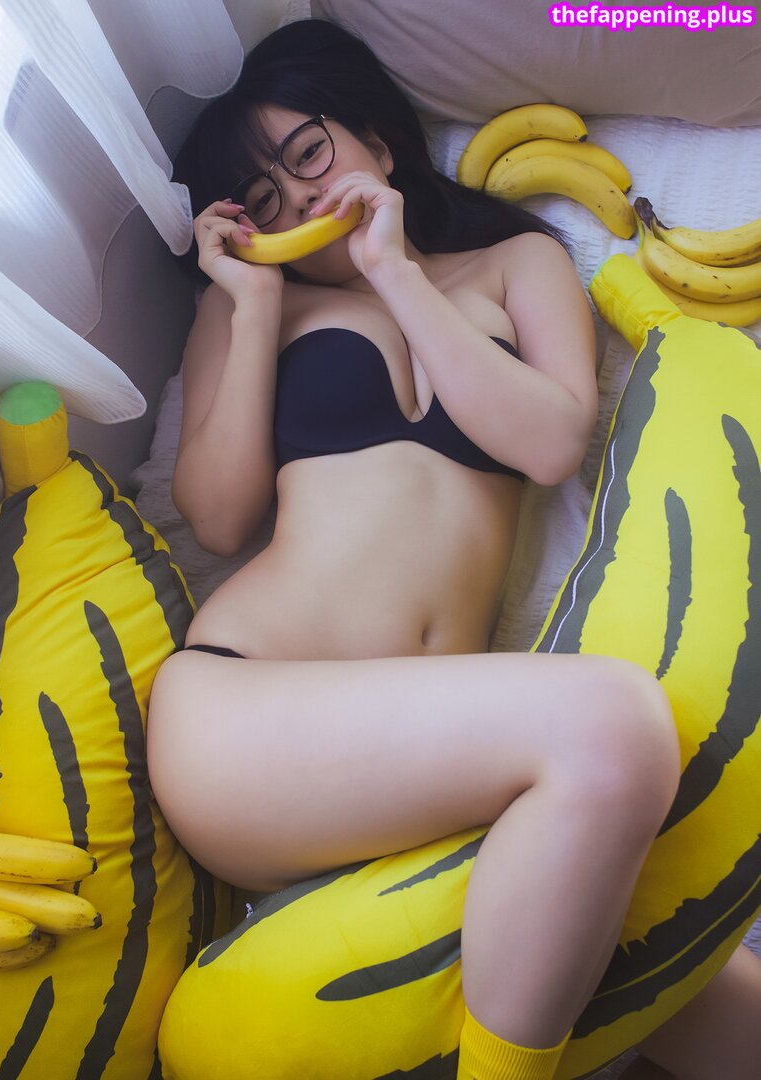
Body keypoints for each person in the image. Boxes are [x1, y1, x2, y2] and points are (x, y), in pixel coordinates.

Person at [146, 18, 758, 1080]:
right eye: (261, 196)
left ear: (377, 141)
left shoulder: (519, 263)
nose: (296, 198)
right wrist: (248, 305)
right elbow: (218, 517)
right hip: (247, 715)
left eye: (308, 153)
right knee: (613, 725)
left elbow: (551, 442)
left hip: (436, 775)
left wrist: (394, 274)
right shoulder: (256, 309)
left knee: (686, 978)